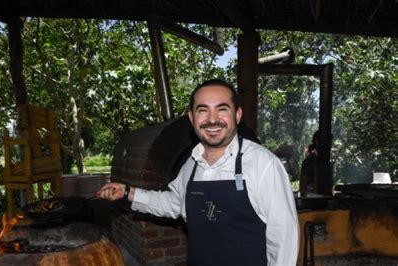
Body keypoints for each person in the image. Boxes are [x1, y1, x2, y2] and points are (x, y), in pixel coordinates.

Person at [97, 79, 299, 265]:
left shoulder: (263, 164)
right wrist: (127, 192)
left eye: (222, 109)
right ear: (192, 118)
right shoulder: (190, 165)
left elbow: (283, 236)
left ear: (237, 115)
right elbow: (174, 203)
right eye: (203, 110)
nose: (212, 119)